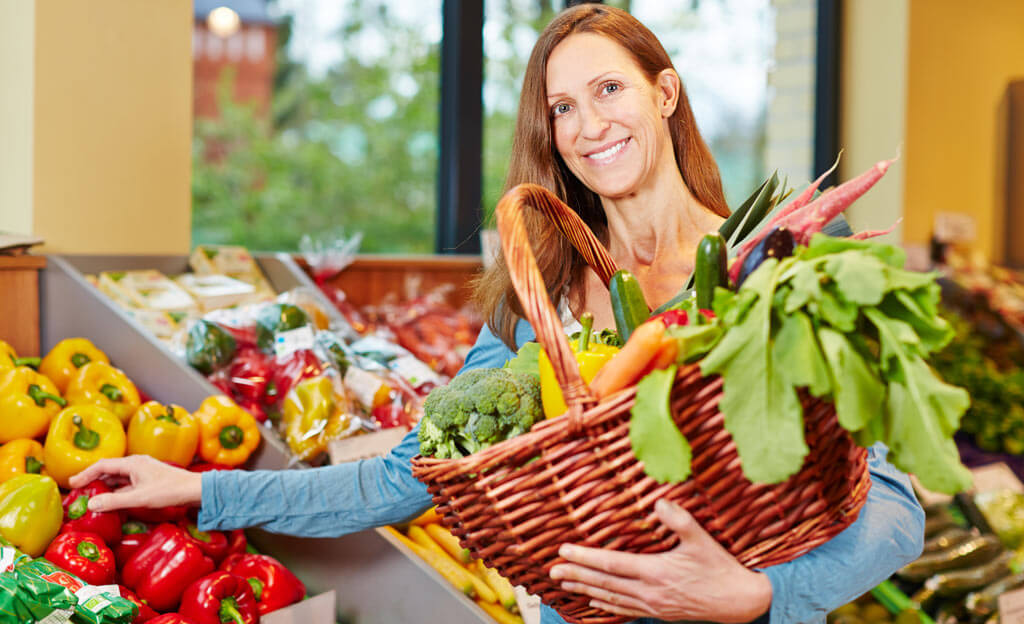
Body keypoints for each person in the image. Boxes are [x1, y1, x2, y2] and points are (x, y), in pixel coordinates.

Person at [71, 5, 924, 623]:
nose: (590, 125)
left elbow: (891, 503)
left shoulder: (771, 270)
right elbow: (410, 475)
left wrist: (761, 596)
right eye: (561, 109)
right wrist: (204, 490)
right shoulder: (540, 294)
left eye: (608, 89)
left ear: (664, 93)